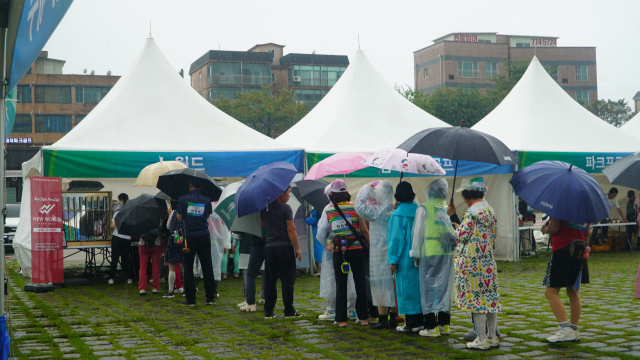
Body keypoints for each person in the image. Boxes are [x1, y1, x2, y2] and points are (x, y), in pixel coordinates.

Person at [453, 177, 501, 350]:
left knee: (476, 300)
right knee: (490, 299)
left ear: (467, 194)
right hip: (488, 260)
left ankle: (481, 339)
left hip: (472, 262)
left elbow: (461, 236)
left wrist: (457, 228)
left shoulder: (472, 213)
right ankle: (493, 336)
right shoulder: (490, 210)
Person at [323, 180, 370, 328]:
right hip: (356, 250)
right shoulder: (356, 208)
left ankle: (341, 319)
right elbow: (363, 229)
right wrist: (370, 244)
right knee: (360, 282)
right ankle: (363, 318)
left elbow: (332, 229)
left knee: (340, 284)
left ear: (332, 194)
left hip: (339, 250)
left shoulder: (329, 211)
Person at [411, 179, 456, 337]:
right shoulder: (447, 208)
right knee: (445, 288)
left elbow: (418, 233)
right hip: (447, 252)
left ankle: (431, 326)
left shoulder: (424, 208)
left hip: (429, 251)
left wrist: (415, 253)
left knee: (428, 288)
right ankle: (444, 324)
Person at [354, 180, 397, 330]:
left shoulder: (376, 211)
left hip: (379, 251)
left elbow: (358, 207)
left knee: (379, 284)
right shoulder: (394, 209)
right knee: (393, 284)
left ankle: (382, 319)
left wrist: (366, 188)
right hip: (393, 251)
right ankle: (393, 318)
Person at [541, 217, 590, 343]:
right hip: (579, 250)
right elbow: (587, 233)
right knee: (574, 292)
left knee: (550, 293)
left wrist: (545, 228)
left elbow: (554, 227)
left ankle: (565, 329)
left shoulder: (561, 204)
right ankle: (573, 330)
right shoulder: (585, 207)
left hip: (561, 250)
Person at [317, 185, 358, 323]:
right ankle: (352, 309)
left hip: (333, 249)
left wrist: (327, 242)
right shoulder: (352, 206)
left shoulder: (328, 209)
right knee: (351, 278)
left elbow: (322, 231)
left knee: (334, 279)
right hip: (352, 247)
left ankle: (332, 310)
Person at [261, 186, 303, 319]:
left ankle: (268, 311)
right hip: (284, 247)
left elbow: (263, 225)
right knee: (287, 280)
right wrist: (297, 247)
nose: (289, 196)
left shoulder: (264, 208)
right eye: (288, 193)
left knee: (270, 280)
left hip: (269, 248)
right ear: (280, 193)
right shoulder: (286, 208)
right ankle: (289, 310)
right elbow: (291, 229)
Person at [388, 181, 422, 333]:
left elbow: (396, 239)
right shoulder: (419, 210)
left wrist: (393, 260)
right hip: (419, 255)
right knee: (418, 287)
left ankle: (410, 323)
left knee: (406, 287)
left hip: (404, 256)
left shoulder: (398, 214)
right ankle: (421, 320)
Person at [177, 179, 215, 306]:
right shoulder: (207, 199)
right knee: (207, 266)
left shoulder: (183, 199)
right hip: (204, 234)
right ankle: (210, 298)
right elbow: (208, 216)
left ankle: (191, 299)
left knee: (188, 267)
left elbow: (179, 217)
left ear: (190, 184)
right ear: (202, 186)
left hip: (190, 236)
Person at [108, 193, 133, 285]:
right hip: (127, 238)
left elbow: (112, 225)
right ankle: (129, 278)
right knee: (126, 258)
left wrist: (112, 231)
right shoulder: (131, 212)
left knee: (114, 258)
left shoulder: (117, 213)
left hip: (117, 237)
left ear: (121, 200)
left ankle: (111, 278)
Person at [237, 232, 266, 312]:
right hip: (268, 242)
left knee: (250, 274)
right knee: (266, 272)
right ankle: (266, 299)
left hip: (257, 244)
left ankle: (250, 302)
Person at [209, 201, 231, 297]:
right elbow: (225, 227)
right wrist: (225, 244)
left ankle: (208, 289)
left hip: (207, 237)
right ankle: (215, 290)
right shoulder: (222, 207)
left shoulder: (207, 204)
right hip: (218, 239)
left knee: (206, 264)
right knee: (217, 265)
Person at [138, 229, 162, 295]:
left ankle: (142, 288)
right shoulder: (156, 219)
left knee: (142, 266)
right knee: (156, 265)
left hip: (143, 243)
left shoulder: (139, 220)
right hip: (156, 243)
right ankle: (155, 287)